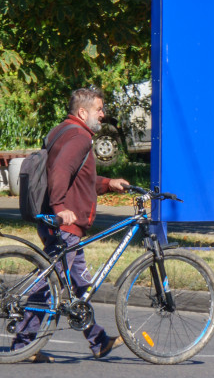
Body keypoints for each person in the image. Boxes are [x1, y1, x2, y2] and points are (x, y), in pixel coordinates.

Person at [13, 88, 130, 362]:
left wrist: (108, 184)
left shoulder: (62, 130)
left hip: (58, 220)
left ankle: (98, 340)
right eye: (99, 109)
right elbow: (61, 171)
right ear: (83, 112)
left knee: (78, 285)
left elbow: (80, 177)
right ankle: (22, 344)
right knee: (51, 283)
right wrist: (60, 208)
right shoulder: (79, 137)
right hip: (65, 223)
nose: (103, 114)